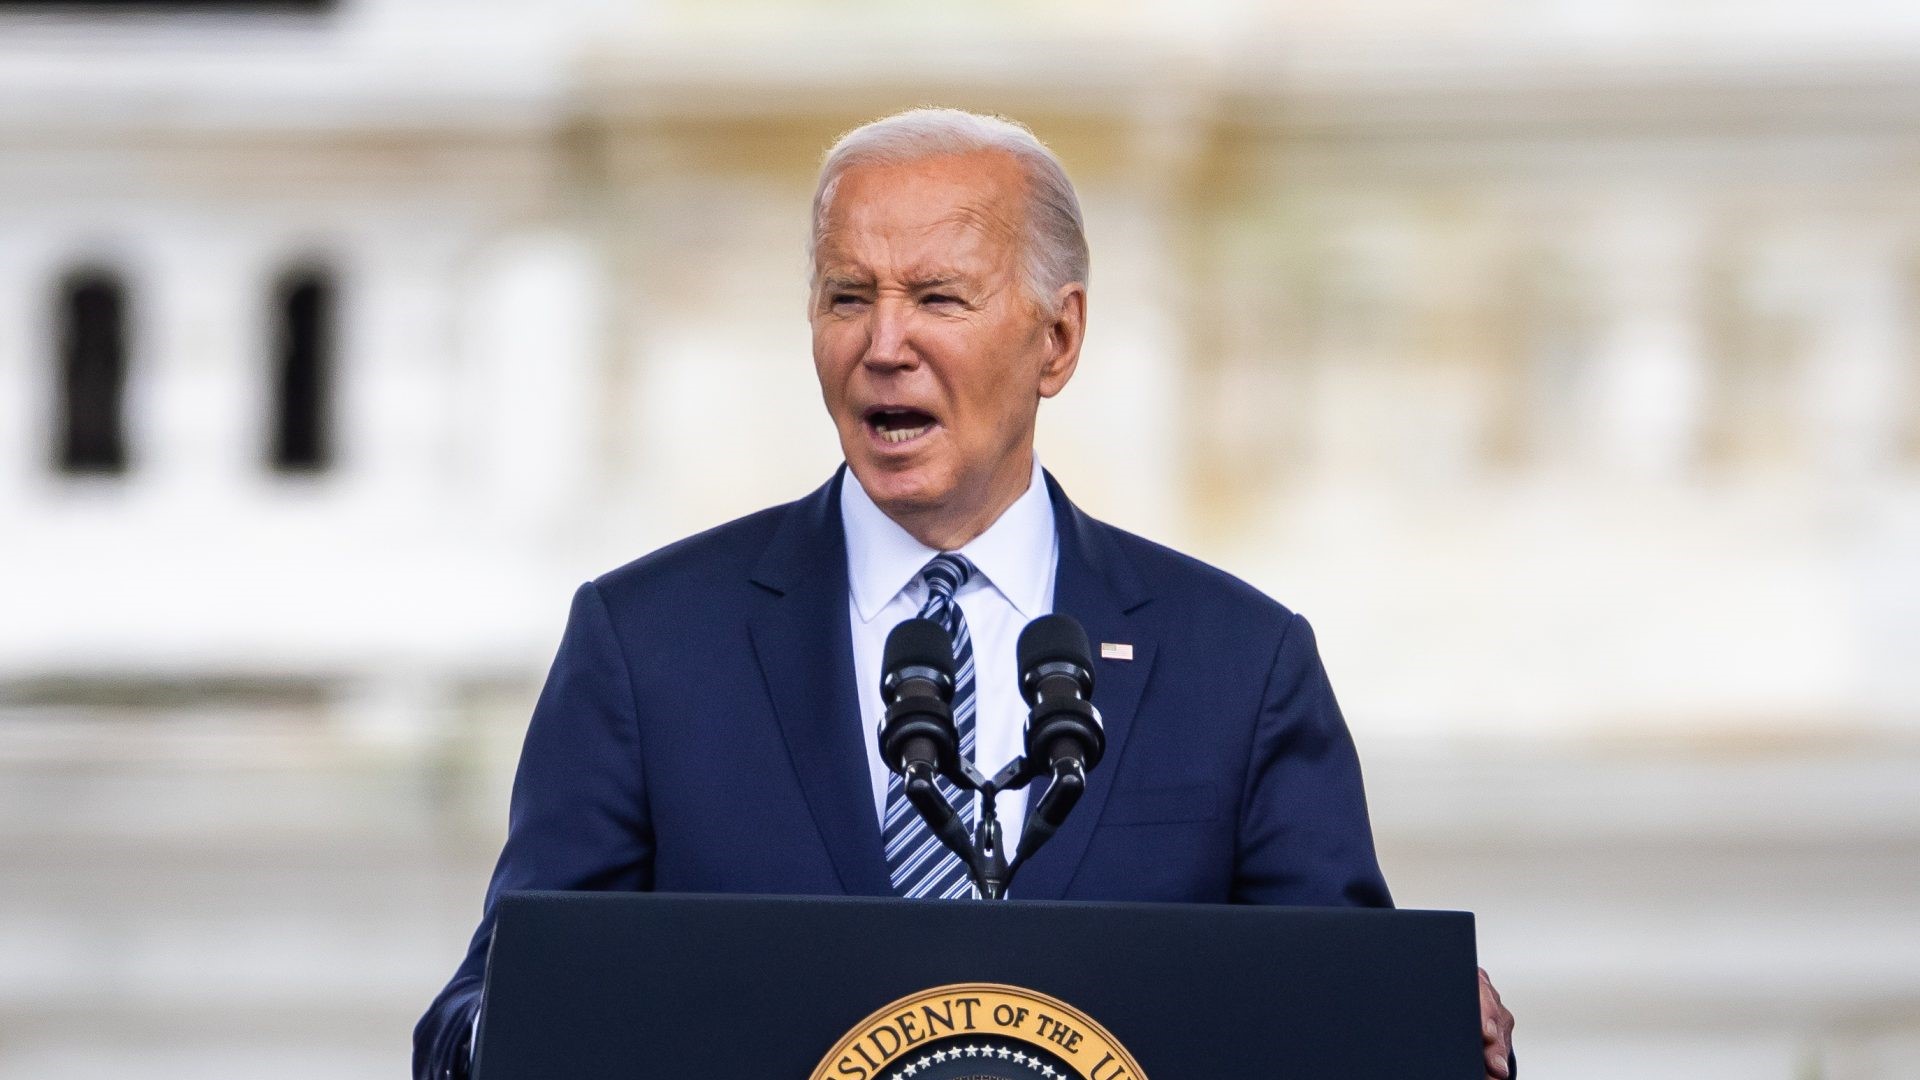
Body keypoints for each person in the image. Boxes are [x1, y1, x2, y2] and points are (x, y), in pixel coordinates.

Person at [414, 107, 1516, 1079]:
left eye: (937, 296)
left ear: (1059, 338)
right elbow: (479, 1012)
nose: (884, 344)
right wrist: (504, 1033)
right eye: (848, 297)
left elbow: (1343, 1024)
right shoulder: (650, 647)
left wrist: (1435, 1038)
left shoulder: (1238, 663)